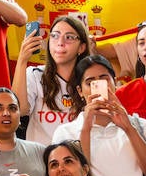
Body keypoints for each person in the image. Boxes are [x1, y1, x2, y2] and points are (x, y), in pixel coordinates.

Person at [13, 14, 94, 146]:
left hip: (77, 160)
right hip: (40, 159)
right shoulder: (35, 74)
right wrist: (22, 60)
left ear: (81, 47)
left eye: (69, 37)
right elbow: (19, 110)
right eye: (55, 35)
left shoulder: (89, 80)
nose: (60, 42)